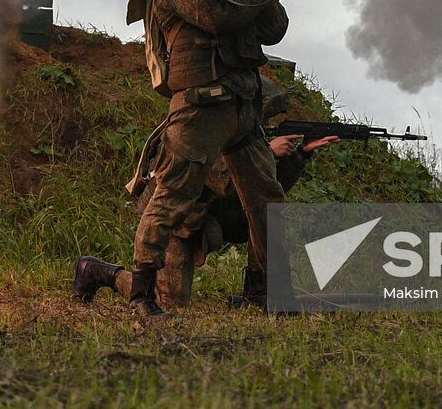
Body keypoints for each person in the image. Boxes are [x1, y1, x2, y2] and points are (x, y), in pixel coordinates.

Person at [120, 0, 305, 316]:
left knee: (267, 198)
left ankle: (271, 292)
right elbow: (217, 15)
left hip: (242, 107)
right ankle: (141, 295)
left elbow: (273, 31)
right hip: (200, 109)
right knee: (171, 196)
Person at [73, 129, 338, 309]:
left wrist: (299, 155)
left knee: (265, 211)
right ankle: (95, 271)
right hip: (177, 220)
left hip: (210, 214)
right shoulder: (200, 129)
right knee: (169, 300)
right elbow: (226, 183)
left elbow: (267, 190)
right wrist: (267, 152)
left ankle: (257, 293)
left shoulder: (243, 134)